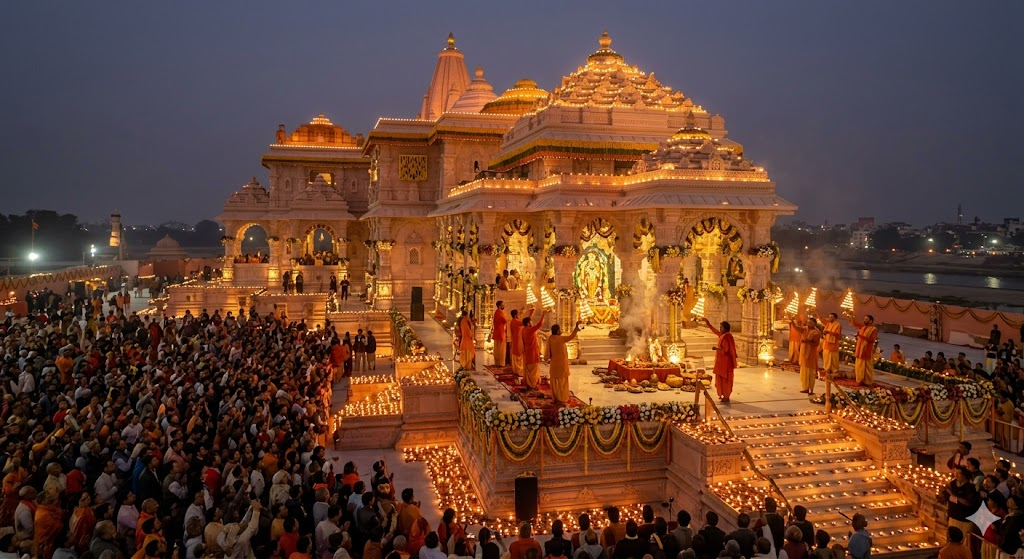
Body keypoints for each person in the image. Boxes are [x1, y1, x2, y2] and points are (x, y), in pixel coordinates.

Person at [941, 467, 980, 540]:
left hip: (964, 520)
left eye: (959, 473)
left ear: (965, 476)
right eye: (955, 472)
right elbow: (946, 495)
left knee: (964, 540)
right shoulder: (953, 483)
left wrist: (953, 495)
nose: (956, 475)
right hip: (953, 517)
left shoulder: (969, 488)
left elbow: (968, 503)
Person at [703, 318, 737, 403]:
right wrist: (708, 323)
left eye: (721, 327)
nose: (720, 329)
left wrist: (716, 348)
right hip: (721, 363)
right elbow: (715, 332)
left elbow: (726, 350)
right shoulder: (723, 336)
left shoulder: (727, 337)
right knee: (720, 379)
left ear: (725, 328)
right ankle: (723, 394)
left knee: (726, 380)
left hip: (726, 364)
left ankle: (726, 396)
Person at [547, 322, 581, 404]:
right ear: (558, 331)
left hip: (554, 364)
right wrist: (576, 327)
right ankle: (561, 398)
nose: (561, 330)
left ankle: (555, 397)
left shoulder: (550, 338)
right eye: (560, 329)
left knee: (555, 381)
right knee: (562, 382)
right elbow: (572, 336)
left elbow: (548, 352)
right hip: (562, 364)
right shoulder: (561, 339)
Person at [846, 313, 878, 386]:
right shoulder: (863, 327)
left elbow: (872, 340)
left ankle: (867, 381)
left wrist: (860, 336)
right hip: (859, 349)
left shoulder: (873, 329)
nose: (864, 321)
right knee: (859, 366)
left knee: (866, 367)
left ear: (871, 321)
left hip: (866, 350)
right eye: (864, 319)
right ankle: (860, 380)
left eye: (866, 319)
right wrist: (850, 316)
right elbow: (854, 324)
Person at [791, 318, 820, 394]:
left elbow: (816, 344)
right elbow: (797, 328)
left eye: (810, 323)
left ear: (815, 323)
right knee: (804, 371)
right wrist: (792, 322)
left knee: (811, 372)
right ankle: (805, 388)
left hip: (811, 354)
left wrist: (807, 342)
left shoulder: (816, 333)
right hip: (803, 353)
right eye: (808, 322)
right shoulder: (805, 329)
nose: (808, 324)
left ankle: (811, 389)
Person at [522, 310, 548, 389]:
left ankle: (529, 383)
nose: (532, 323)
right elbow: (539, 324)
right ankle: (532, 384)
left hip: (528, 351)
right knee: (533, 369)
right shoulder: (529, 330)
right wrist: (543, 315)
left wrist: (531, 313)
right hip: (532, 352)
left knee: (530, 368)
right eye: (531, 322)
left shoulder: (524, 329)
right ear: (528, 324)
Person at [510, 308, 533, 378]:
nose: (519, 315)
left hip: (515, 340)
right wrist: (531, 312)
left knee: (516, 355)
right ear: (515, 315)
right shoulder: (516, 322)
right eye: (518, 314)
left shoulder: (513, 321)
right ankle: (519, 371)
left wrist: (523, 312)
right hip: (518, 341)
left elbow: (523, 321)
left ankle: (516, 370)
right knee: (519, 356)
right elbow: (526, 322)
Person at [820, 313, 841, 378]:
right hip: (826, 343)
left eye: (831, 317)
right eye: (829, 317)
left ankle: (833, 371)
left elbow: (838, 335)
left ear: (835, 318)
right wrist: (825, 332)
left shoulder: (838, 325)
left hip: (833, 345)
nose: (830, 318)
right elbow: (825, 331)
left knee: (832, 358)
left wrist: (829, 332)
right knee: (826, 357)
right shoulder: (828, 324)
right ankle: (826, 369)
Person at [489, 301, 508, 368]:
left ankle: (497, 362)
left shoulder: (496, 312)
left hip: (497, 332)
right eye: (503, 305)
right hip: (501, 333)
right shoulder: (500, 313)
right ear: (499, 306)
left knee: (497, 349)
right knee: (501, 349)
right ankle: (501, 363)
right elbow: (505, 320)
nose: (504, 306)